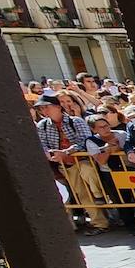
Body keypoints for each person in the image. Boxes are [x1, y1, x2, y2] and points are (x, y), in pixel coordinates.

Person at [35, 93, 106, 235]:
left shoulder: (76, 121)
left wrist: (67, 152)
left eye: (46, 107)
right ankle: (99, 223)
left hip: (83, 160)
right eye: (41, 109)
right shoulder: (42, 126)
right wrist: (49, 153)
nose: (43, 111)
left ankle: (101, 204)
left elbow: (85, 141)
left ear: (57, 107)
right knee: (82, 193)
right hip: (65, 165)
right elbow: (41, 143)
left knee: (89, 179)